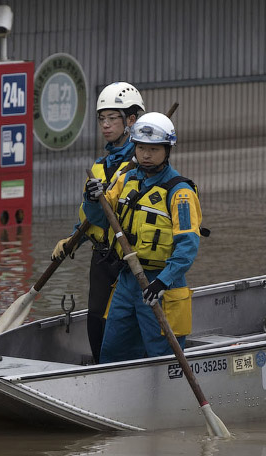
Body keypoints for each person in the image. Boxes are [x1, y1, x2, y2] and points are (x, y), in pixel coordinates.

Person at [82, 112, 202, 363]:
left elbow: (187, 247)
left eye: (153, 149)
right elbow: (100, 219)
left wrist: (163, 282)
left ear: (167, 150)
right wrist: (92, 199)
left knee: (164, 356)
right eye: (141, 148)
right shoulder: (125, 180)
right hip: (127, 280)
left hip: (160, 286)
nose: (146, 154)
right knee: (113, 351)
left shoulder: (180, 192)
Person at [52, 82, 145, 363]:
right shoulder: (99, 167)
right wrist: (72, 239)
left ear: (131, 120)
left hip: (129, 257)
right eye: (101, 119)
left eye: (112, 118)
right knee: (95, 322)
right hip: (102, 258)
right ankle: (101, 371)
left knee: (120, 324)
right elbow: (90, 218)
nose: (105, 125)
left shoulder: (142, 161)